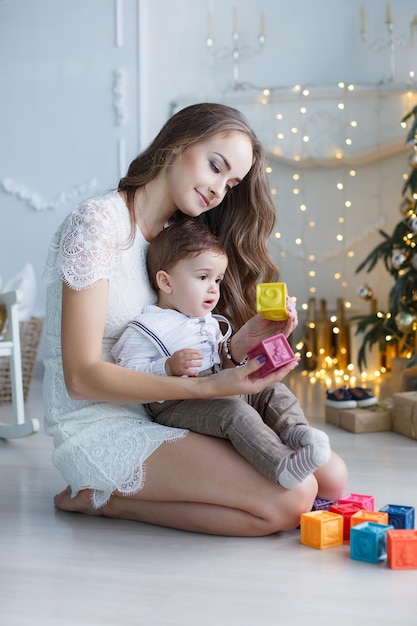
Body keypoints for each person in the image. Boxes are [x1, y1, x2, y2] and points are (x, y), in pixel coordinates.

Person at [43, 102, 347, 536]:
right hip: (99, 422)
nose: (220, 189)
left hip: (165, 409)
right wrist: (206, 387)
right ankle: (108, 501)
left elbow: (172, 342)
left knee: (332, 478)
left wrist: (233, 348)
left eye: (232, 182)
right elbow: (81, 378)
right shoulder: (98, 225)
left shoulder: (176, 238)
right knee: (294, 499)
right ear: (176, 144)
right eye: (215, 166)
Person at [111, 218, 332, 490]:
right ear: (165, 282)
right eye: (203, 277)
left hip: (217, 388)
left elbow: (219, 361)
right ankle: (281, 463)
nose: (214, 288)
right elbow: (126, 375)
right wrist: (166, 367)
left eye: (217, 279)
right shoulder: (148, 326)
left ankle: (297, 433)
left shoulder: (207, 321)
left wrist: (251, 347)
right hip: (176, 403)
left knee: (273, 390)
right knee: (234, 412)